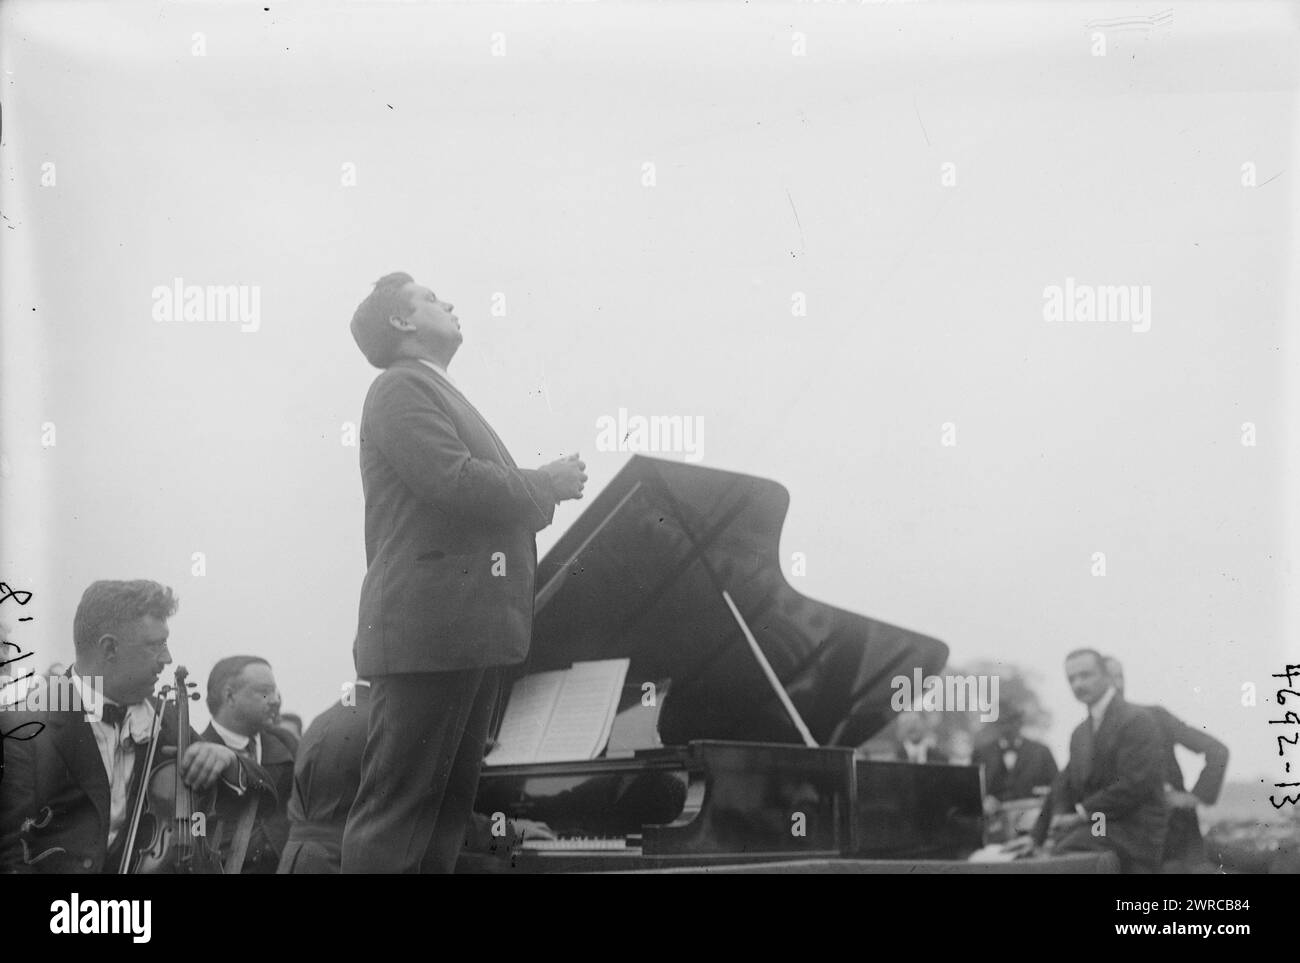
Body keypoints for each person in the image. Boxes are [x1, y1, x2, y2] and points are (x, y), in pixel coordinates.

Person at [340, 272, 587, 873]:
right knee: (398, 817)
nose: (448, 303)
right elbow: (452, 482)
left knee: (441, 825)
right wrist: (544, 483)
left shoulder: (430, 389)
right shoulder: (399, 387)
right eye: (429, 299)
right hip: (431, 632)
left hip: (459, 633)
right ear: (400, 322)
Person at [0, 580, 270, 873]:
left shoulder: (165, 717)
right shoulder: (26, 723)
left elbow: (264, 796)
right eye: (155, 645)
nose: (167, 659)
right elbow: (11, 852)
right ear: (109, 648)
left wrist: (228, 760)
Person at [1017, 648, 1167, 873]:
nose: (1078, 684)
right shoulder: (1080, 733)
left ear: (1106, 675)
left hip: (1134, 829)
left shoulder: (1137, 720)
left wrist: (1079, 815)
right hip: (1100, 827)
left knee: (1067, 851)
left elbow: (1133, 785)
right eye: (1071, 679)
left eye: (1085, 675)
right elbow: (1062, 785)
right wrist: (1035, 836)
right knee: (1053, 848)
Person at [1104, 655, 1229, 871]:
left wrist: (1195, 796)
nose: (1118, 684)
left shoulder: (1155, 716)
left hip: (1175, 831)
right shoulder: (1090, 735)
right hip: (1125, 834)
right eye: (1109, 678)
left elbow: (1217, 750)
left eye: (1120, 677)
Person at [202, 655, 297, 873]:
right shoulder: (196, 752)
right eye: (264, 691)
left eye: (275, 691)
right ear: (229, 696)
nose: (275, 700)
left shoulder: (287, 744)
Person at [974, 707, 1058, 803]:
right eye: (1003, 722)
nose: (1008, 728)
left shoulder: (1041, 752)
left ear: (1021, 723)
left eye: (1013, 721)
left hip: (1033, 812)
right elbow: (974, 792)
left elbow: (1056, 787)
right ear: (996, 725)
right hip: (993, 815)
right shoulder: (982, 753)